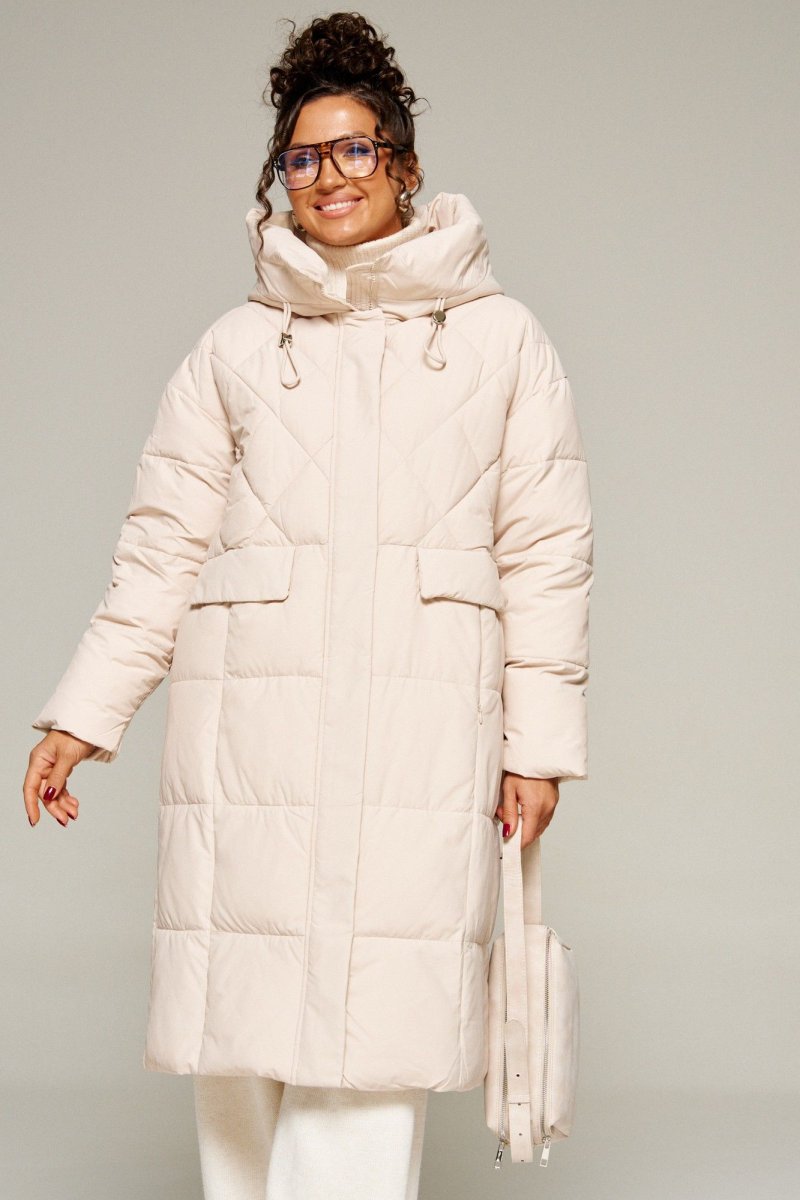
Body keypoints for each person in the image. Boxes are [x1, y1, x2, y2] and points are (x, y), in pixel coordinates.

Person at [23, 11, 593, 1199]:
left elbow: (545, 551)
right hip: (248, 743)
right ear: (278, 178)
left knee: (371, 1036)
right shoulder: (233, 349)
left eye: (354, 148)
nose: (328, 175)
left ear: (403, 165)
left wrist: (534, 747)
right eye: (301, 156)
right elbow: (160, 548)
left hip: (414, 741)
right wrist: (84, 715)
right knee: (240, 1035)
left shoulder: (501, 343)